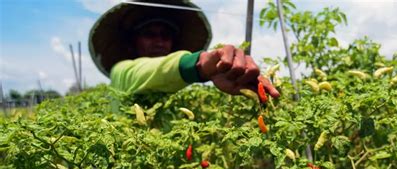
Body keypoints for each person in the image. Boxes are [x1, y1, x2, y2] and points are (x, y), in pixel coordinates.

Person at [88, 0, 279, 98]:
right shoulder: (122, 71)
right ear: (131, 42)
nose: (159, 41)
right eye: (149, 34)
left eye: (166, 35)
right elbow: (152, 70)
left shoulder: (175, 88)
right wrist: (201, 64)